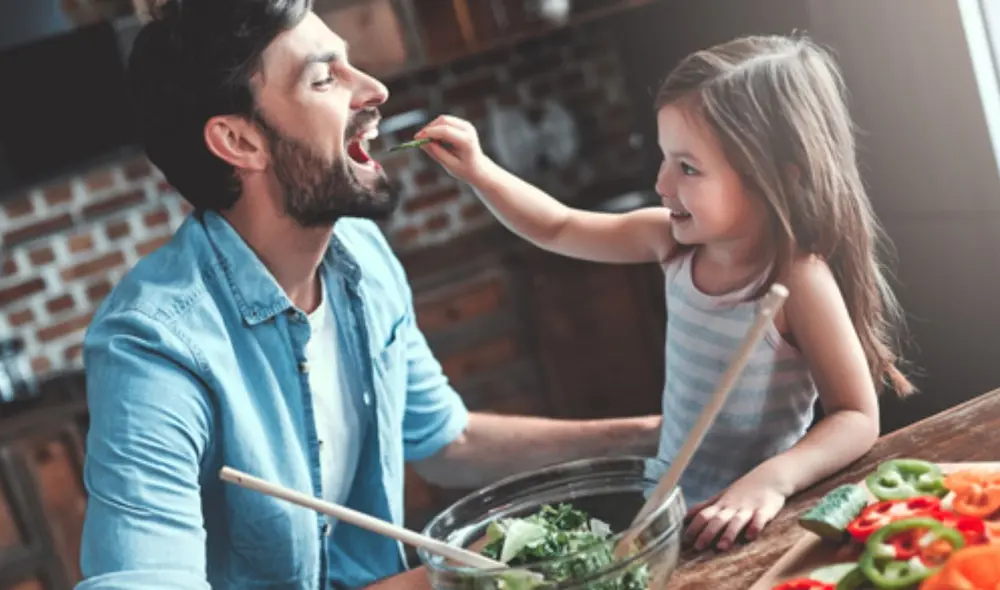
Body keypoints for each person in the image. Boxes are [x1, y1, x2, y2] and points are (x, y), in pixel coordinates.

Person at [76, 1, 663, 588]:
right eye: (325, 77)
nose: (375, 89)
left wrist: (659, 436)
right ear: (239, 140)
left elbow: (446, 441)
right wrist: (446, 581)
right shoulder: (154, 347)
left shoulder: (360, 255)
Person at [416, 34, 915, 553]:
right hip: (667, 510)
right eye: (664, 158)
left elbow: (856, 417)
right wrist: (479, 169)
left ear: (778, 177)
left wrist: (772, 481)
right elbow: (558, 227)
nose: (661, 183)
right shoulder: (670, 243)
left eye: (688, 167)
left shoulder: (796, 279)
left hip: (752, 523)